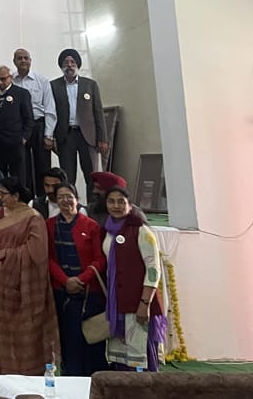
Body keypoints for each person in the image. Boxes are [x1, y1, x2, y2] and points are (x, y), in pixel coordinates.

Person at [0, 176, 59, 375]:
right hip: (1, 281)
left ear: (16, 195)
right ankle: (6, 374)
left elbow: (37, 251)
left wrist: (5, 255)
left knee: (27, 330)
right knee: (4, 329)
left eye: (3, 194)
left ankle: (30, 374)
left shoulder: (33, 217)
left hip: (26, 283)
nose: (0, 197)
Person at [101, 185, 167, 371]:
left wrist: (144, 304)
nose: (116, 206)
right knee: (121, 358)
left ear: (130, 205)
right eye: (111, 201)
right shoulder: (106, 231)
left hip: (139, 305)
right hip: (117, 305)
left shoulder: (141, 231)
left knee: (141, 357)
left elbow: (153, 270)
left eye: (121, 202)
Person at [48, 182, 107, 376]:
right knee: (69, 341)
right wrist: (66, 281)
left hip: (89, 292)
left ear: (77, 199)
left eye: (69, 196)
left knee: (92, 341)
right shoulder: (49, 225)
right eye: (61, 197)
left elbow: (99, 259)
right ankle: (71, 380)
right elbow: (48, 259)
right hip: (62, 291)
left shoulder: (91, 226)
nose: (65, 200)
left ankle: (95, 382)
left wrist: (81, 279)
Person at [50, 49, 108, 186]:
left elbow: (98, 112)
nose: (69, 65)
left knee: (92, 176)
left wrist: (103, 139)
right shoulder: (53, 86)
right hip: (65, 136)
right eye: (66, 62)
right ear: (61, 65)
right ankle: (70, 200)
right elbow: (51, 113)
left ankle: (92, 201)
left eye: (72, 62)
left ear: (78, 64)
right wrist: (51, 137)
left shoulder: (90, 85)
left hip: (88, 136)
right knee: (67, 177)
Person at [12, 48, 56, 192]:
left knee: (43, 165)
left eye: (26, 58)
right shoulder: (10, 81)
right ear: (14, 61)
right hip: (20, 128)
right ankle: (26, 199)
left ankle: (44, 198)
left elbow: (50, 108)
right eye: (19, 58)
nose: (23, 61)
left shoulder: (42, 81)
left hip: (39, 126)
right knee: (22, 166)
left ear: (30, 61)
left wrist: (48, 135)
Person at [0, 65, 34, 183]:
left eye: (3, 79)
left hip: (15, 141)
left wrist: (24, 137)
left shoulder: (21, 93)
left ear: (10, 77)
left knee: (18, 176)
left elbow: (29, 118)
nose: (0, 82)